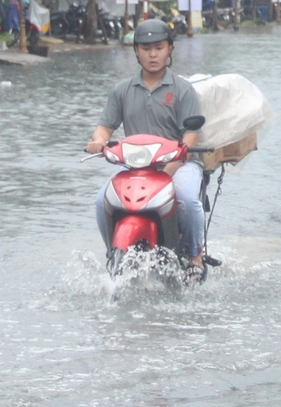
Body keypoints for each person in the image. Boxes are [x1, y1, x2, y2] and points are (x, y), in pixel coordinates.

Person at [85, 18, 207, 276]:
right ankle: (113, 254)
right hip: (136, 169)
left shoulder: (183, 90)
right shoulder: (122, 90)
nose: (153, 54)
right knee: (101, 201)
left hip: (179, 164)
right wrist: (98, 141)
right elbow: (105, 127)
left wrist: (170, 168)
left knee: (186, 199)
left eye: (159, 47)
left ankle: (196, 256)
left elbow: (191, 138)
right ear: (136, 51)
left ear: (170, 49)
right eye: (146, 48)